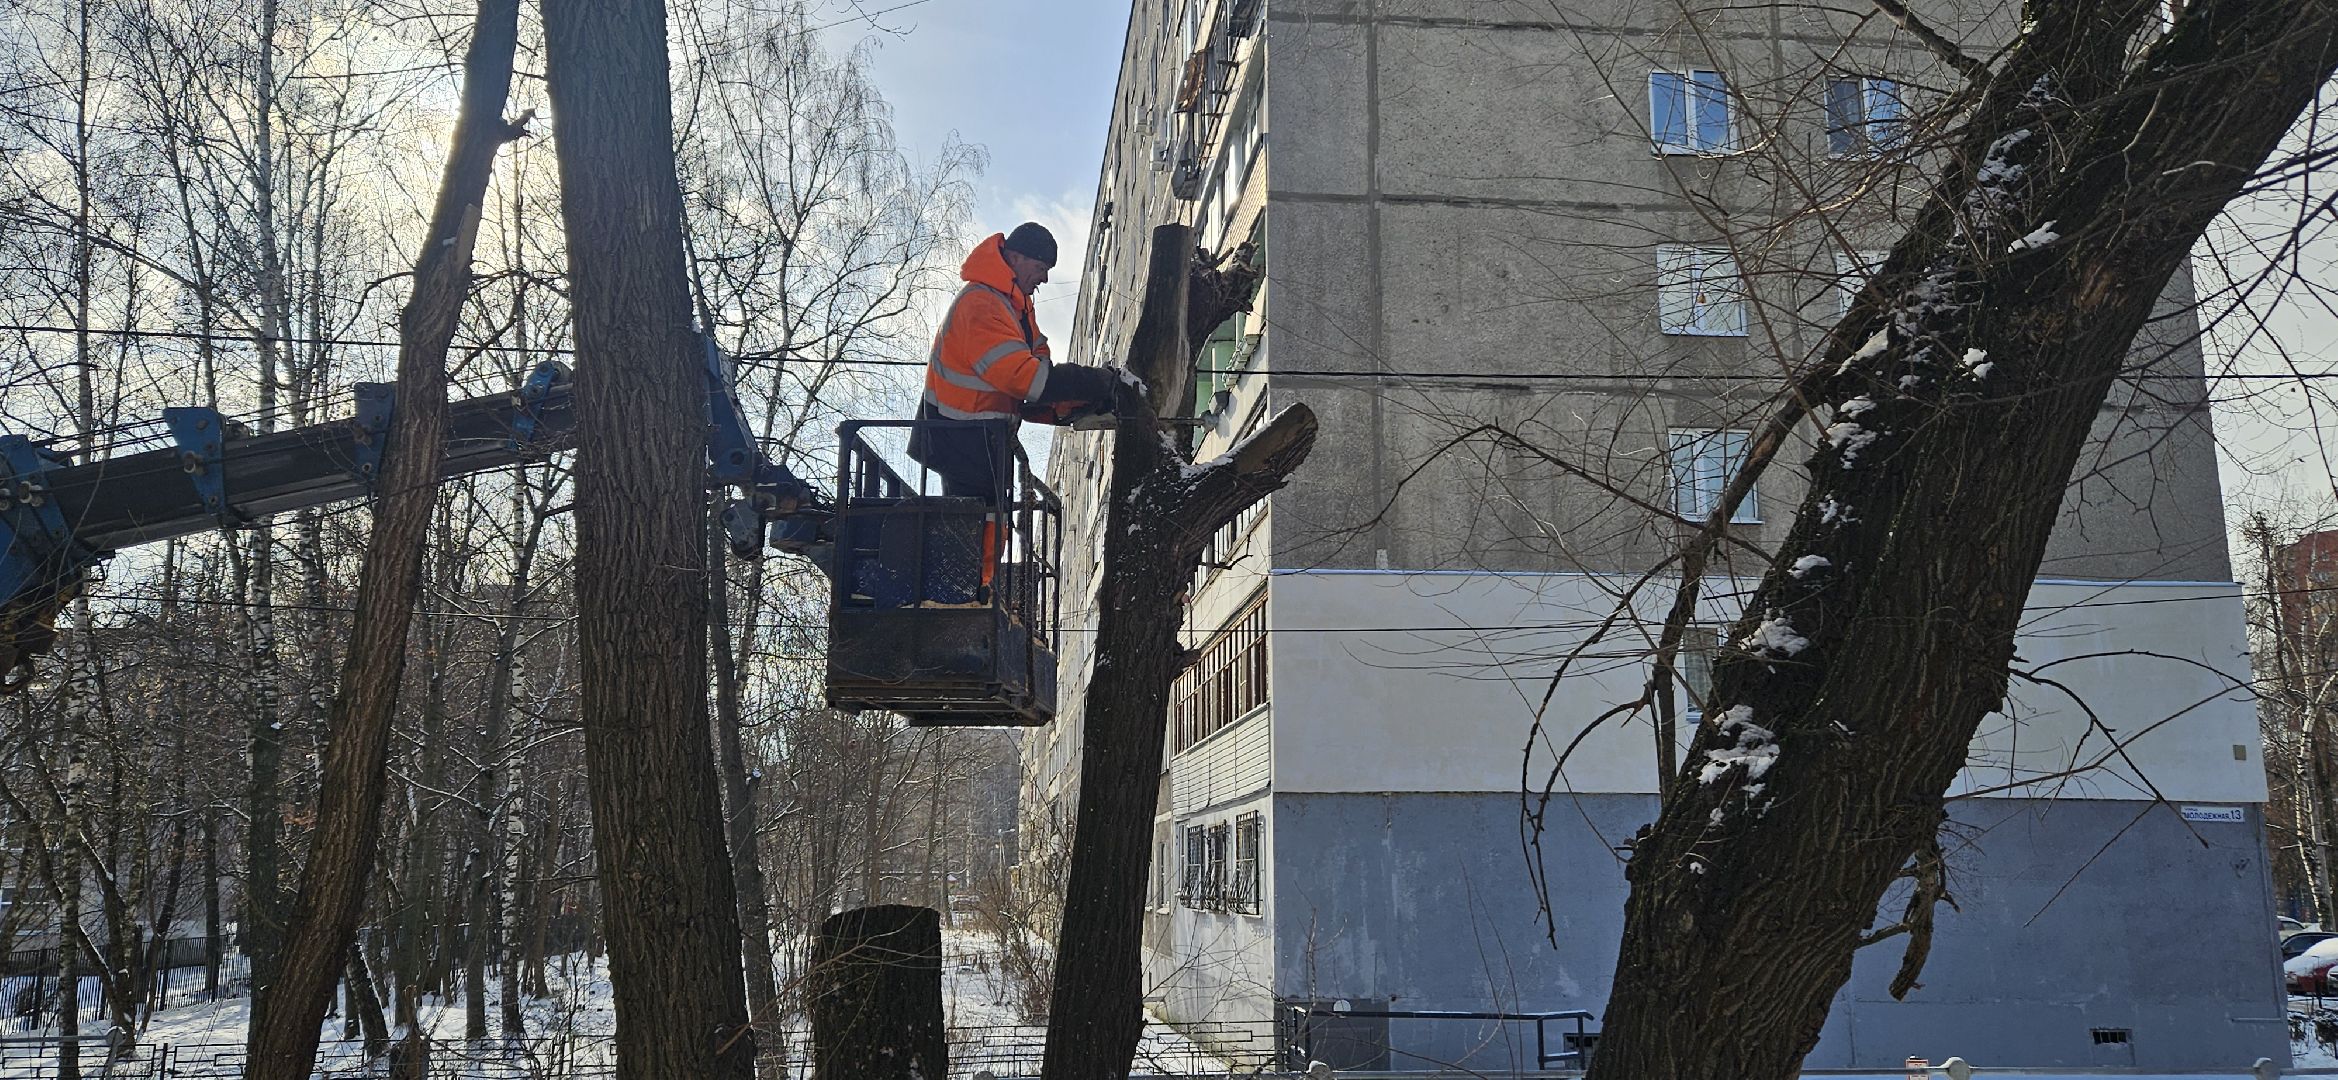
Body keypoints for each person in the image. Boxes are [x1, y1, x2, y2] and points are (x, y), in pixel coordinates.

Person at [908, 222, 1117, 502]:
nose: (1043, 279)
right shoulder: (981, 304)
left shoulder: (1015, 305)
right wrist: (1098, 383)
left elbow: (1037, 358)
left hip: (982, 437)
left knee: (988, 528)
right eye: (1041, 268)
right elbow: (1027, 379)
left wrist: (1064, 404)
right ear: (1017, 257)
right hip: (962, 438)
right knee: (978, 529)